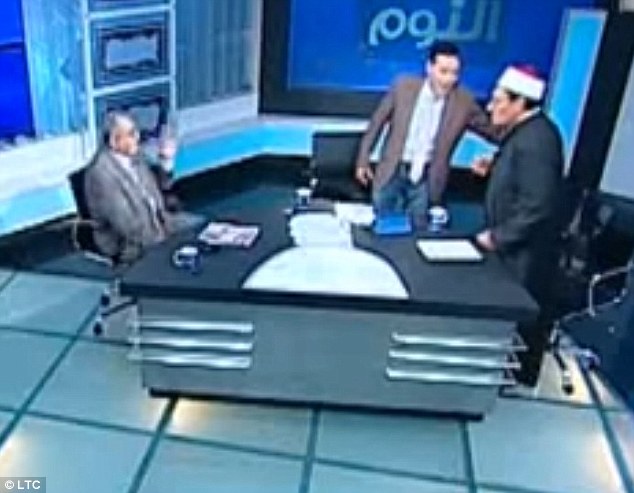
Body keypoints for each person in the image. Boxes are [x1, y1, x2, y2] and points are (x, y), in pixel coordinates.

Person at [475, 65, 564, 386]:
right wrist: (495, 167)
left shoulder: (537, 141)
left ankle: (509, 379)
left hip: (524, 259)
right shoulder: (527, 133)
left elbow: (538, 205)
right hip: (514, 253)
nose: (490, 107)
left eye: (498, 100)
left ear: (520, 102)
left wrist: (497, 237)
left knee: (517, 322)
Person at [354, 41, 502, 222]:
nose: (449, 79)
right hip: (392, 173)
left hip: (427, 180)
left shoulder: (464, 102)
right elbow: (376, 122)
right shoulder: (403, 87)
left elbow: (493, 132)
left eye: (455, 73)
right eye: (443, 72)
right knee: (382, 225)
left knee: (419, 230)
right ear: (429, 68)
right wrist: (363, 159)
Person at [84, 112, 199, 265]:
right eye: (131, 134)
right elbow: (128, 226)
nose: (137, 138)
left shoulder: (136, 156)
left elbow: (164, 187)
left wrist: (165, 160)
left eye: (137, 132)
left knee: (203, 227)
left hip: (160, 224)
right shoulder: (102, 175)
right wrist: (166, 241)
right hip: (129, 245)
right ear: (113, 140)